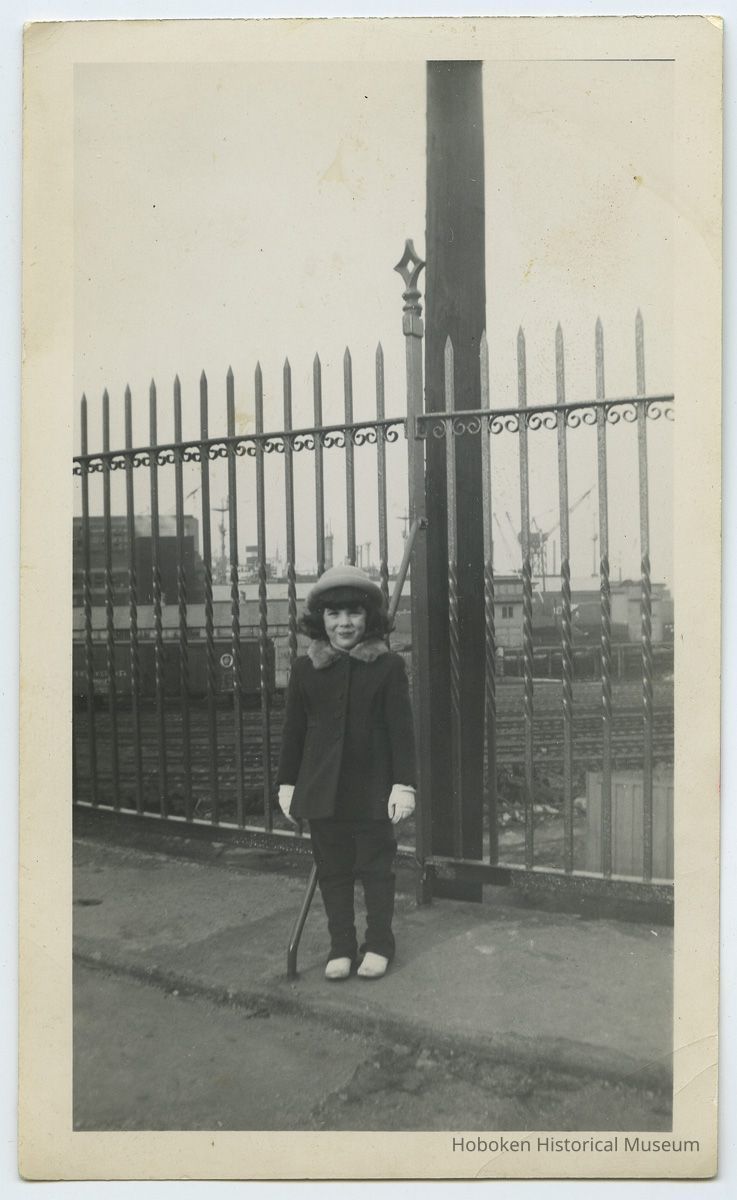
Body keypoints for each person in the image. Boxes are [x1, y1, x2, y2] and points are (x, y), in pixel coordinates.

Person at [277, 565, 417, 981]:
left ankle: (378, 944)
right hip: (322, 792)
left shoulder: (388, 667)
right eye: (334, 614)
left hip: (373, 791)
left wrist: (403, 784)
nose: (344, 623)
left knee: (376, 869)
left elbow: (401, 731)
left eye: (354, 613)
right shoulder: (306, 671)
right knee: (333, 871)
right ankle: (341, 945)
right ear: (319, 619)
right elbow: (293, 732)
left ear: (369, 618)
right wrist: (287, 783)